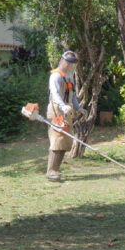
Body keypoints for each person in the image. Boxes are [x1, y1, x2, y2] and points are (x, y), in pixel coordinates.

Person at [46, 51, 86, 181]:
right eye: (68, 63)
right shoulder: (56, 76)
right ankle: (50, 171)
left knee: (64, 142)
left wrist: (79, 108)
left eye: (72, 64)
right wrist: (63, 106)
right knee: (57, 140)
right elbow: (55, 93)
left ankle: (55, 170)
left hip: (67, 112)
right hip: (56, 110)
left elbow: (73, 96)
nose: (70, 66)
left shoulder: (70, 77)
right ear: (63, 61)